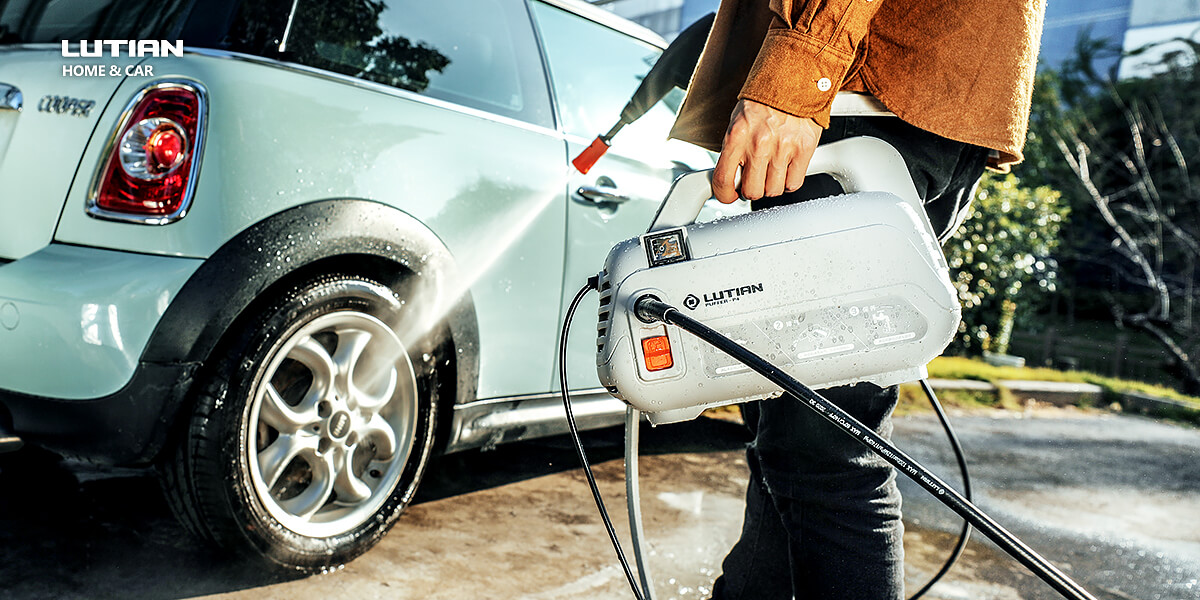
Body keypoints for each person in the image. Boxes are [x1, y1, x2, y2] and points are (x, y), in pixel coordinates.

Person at [667, 1, 1047, 598]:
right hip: (929, 100)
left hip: (858, 94)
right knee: (795, 441)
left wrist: (801, 74)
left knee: (828, 459)